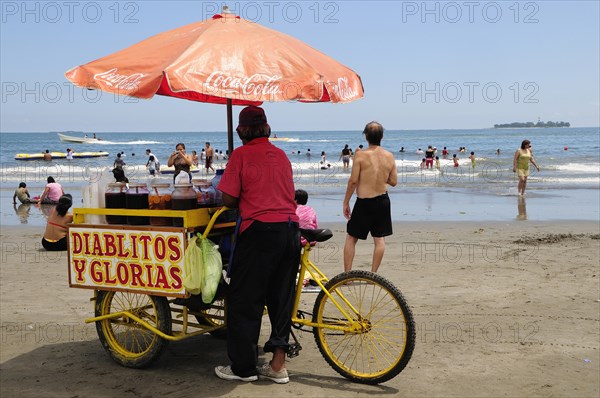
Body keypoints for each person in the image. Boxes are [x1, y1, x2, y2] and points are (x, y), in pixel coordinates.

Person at [215, 105, 300, 384]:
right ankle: (277, 366)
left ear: (242, 131)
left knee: (244, 299)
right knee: (280, 300)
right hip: (289, 231)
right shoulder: (281, 155)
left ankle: (243, 368)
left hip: (259, 233)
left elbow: (228, 198)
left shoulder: (240, 155)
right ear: (266, 128)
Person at [343, 121, 397, 273]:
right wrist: (379, 176)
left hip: (364, 203)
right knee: (379, 239)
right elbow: (393, 182)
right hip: (383, 200)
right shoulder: (389, 156)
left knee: (351, 238)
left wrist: (346, 202)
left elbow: (353, 181)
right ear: (382, 136)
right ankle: (373, 274)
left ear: (366, 136)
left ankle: (347, 274)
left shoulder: (360, 156)